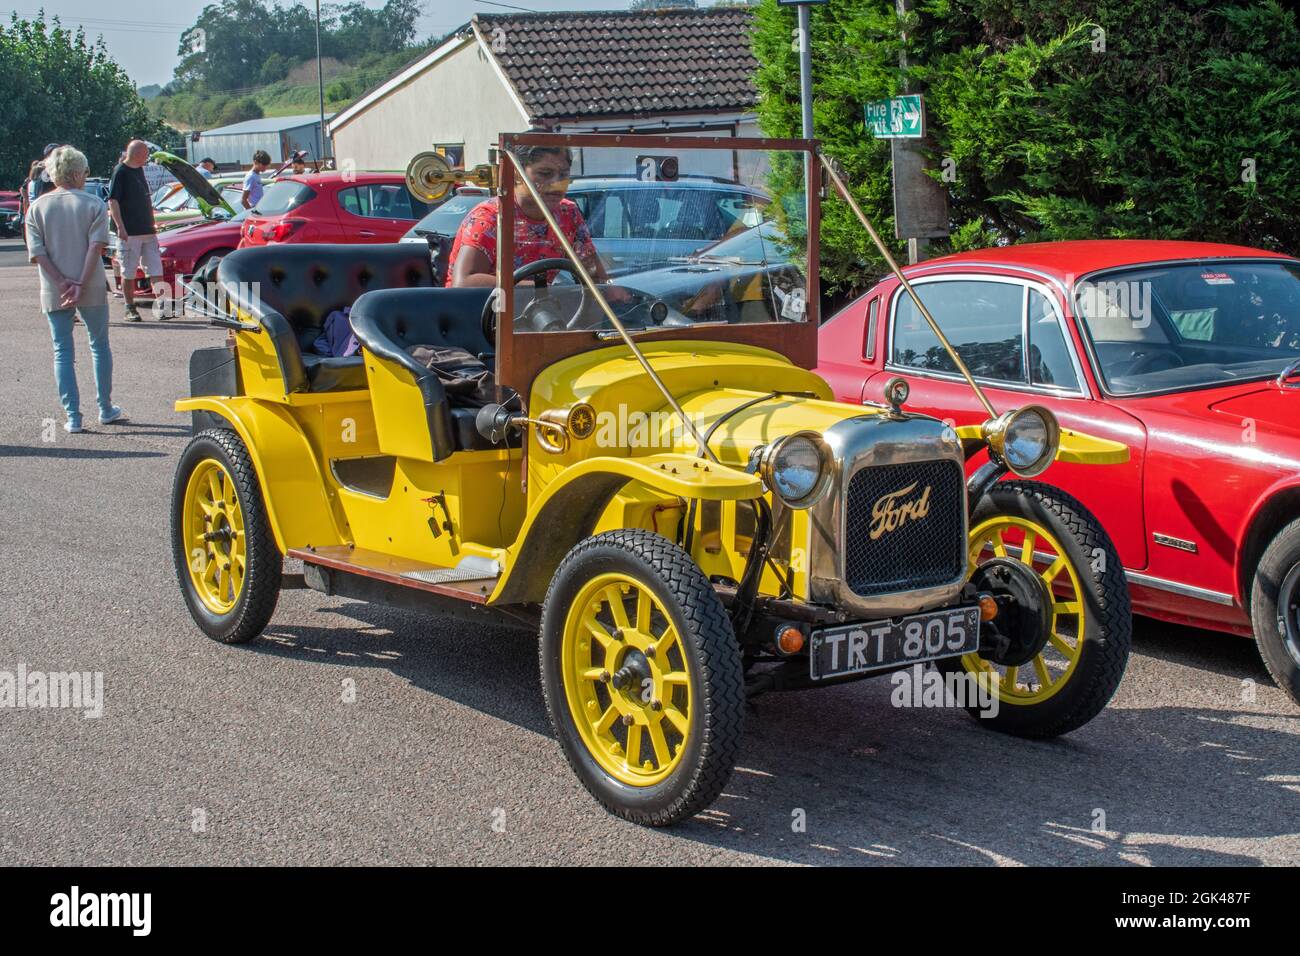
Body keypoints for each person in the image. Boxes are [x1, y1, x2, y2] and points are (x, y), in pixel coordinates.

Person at [25, 146, 126, 433]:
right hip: (90, 284)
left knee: (62, 351)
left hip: (54, 288)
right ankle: (105, 408)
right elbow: (96, 247)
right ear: (78, 172)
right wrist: (80, 281)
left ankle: (73, 416)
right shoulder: (93, 204)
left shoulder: (37, 208)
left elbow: (38, 253)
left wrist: (62, 283)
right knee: (99, 345)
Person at [447, 141, 626, 300]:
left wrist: (612, 290)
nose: (557, 183)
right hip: (482, 319)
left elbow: (592, 273)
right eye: (545, 173)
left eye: (564, 174)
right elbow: (464, 282)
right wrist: (542, 289)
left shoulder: (568, 213)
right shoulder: (490, 217)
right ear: (517, 174)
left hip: (538, 315)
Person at [107, 140, 163, 322]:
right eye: (145, 154)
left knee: (155, 267)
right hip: (130, 232)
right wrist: (121, 227)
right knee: (128, 271)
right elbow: (113, 200)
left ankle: (163, 306)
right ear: (137, 153)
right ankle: (130, 308)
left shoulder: (139, 170)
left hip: (147, 229)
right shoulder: (121, 171)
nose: (147, 158)